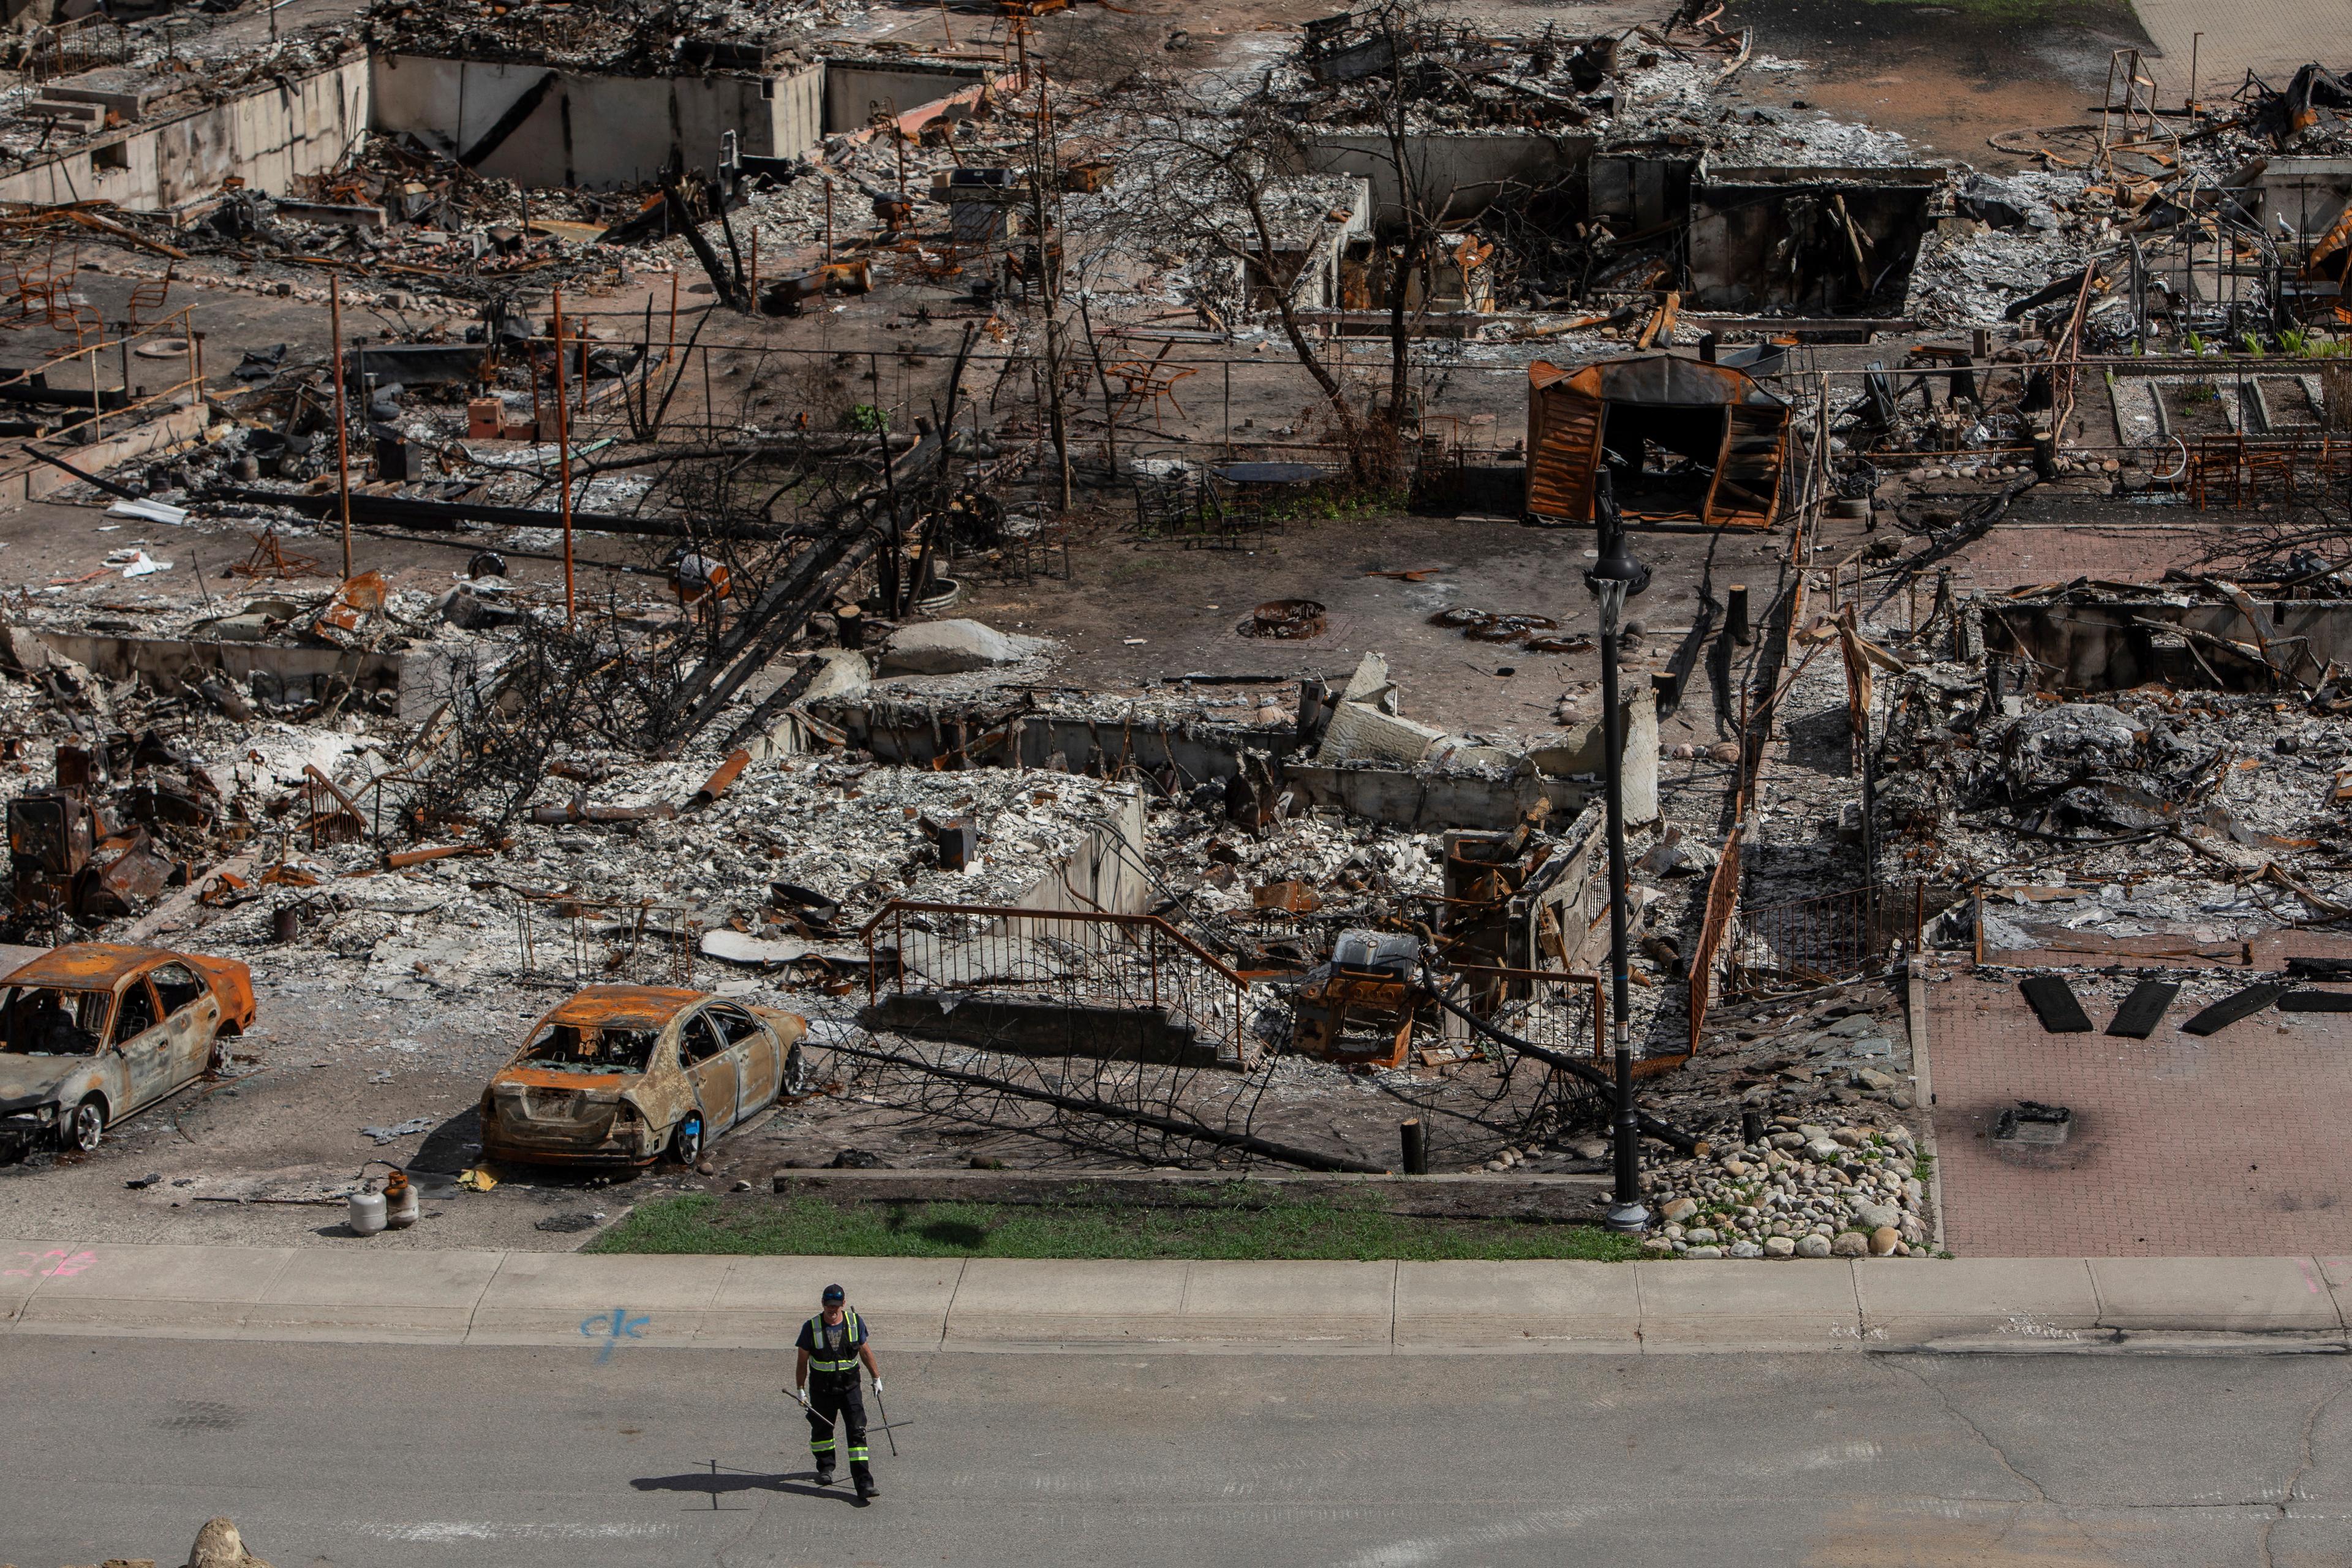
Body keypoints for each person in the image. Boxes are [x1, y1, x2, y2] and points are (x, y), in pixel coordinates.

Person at [794, 1283, 881, 1499]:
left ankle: (864, 1484)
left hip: (850, 1388)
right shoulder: (811, 1327)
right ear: (822, 1304)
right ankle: (825, 1468)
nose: (832, 1310)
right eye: (828, 1306)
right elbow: (802, 1361)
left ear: (844, 1304)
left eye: (836, 1306)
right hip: (822, 1389)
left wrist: (876, 1378)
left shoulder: (854, 1322)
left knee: (857, 1432)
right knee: (822, 1431)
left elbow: (865, 1351)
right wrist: (800, 1390)